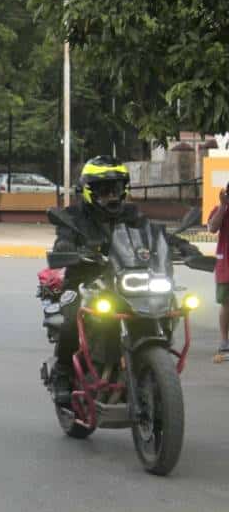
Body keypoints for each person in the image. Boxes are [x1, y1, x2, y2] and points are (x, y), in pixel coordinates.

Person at [47, 155, 198, 403]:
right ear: (88, 191)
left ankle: (151, 367)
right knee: (73, 316)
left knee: (166, 304)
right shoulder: (73, 216)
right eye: (103, 190)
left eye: (116, 189)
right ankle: (62, 373)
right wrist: (66, 246)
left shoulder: (131, 214)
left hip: (126, 279)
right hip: (85, 279)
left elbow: (154, 235)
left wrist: (182, 245)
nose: (111, 196)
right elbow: (63, 238)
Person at [208, 182, 229, 352]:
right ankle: (224, 340)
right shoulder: (220, 209)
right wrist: (223, 206)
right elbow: (213, 228)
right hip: (226, 265)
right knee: (226, 303)